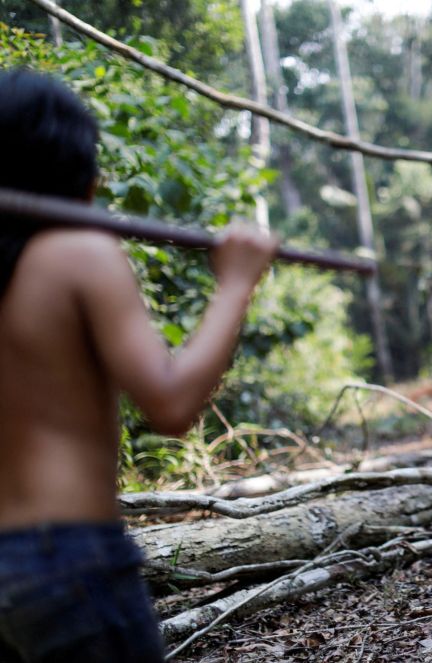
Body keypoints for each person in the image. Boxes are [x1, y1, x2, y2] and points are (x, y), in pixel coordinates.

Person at [0, 70, 278, 662]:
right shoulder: (78, 253)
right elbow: (172, 405)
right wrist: (234, 286)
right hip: (65, 557)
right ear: (75, 164)